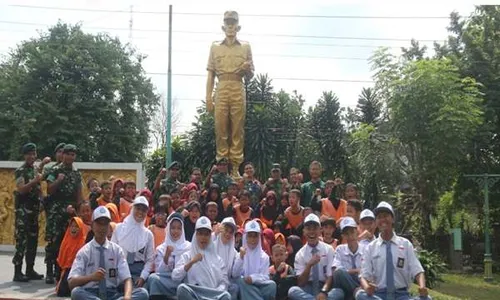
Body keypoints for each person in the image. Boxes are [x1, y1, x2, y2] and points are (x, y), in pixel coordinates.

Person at [206, 9, 254, 178]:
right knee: (220, 128)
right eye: (228, 23)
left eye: (233, 23)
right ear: (223, 26)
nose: (230, 26)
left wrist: (247, 70)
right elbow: (210, 73)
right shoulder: (215, 47)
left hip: (237, 86)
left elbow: (250, 76)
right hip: (221, 86)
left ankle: (235, 168)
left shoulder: (246, 47)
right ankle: (221, 166)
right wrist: (208, 98)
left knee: (237, 129)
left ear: (238, 26)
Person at [69, 206, 149, 300]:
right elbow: (71, 282)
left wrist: (127, 297)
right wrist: (91, 277)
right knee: (76, 293)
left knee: (143, 293)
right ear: (92, 225)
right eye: (99, 224)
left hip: (112, 294)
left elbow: (127, 279)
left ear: (109, 227)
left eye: (105, 224)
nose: (102, 228)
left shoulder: (116, 250)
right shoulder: (84, 252)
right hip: (91, 293)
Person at [356, 202, 431, 300]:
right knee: (360, 295)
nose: (383, 219)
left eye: (386, 216)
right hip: (379, 295)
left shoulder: (405, 244)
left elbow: (417, 270)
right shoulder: (370, 247)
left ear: (393, 219)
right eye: (379, 217)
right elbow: (363, 275)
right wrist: (367, 287)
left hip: (401, 295)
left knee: (427, 298)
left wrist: (422, 287)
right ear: (376, 222)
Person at [45, 144, 83, 284]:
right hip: (56, 211)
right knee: (53, 242)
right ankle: (49, 271)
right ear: (63, 155)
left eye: (73, 155)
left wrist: (79, 211)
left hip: (70, 211)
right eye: (68, 154)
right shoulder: (54, 170)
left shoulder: (76, 174)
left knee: (65, 242)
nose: (70, 157)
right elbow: (49, 190)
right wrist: (58, 180)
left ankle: (59, 271)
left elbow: (79, 195)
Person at [172, 216, 232, 300]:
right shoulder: (187, 256)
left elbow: (224, 282)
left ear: (210, 237)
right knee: (182, 289)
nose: (203, 237)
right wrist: (191, 262)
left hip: (213, 294)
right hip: (195, 292)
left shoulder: (218, 259)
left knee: (226, 296)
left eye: (206, 234)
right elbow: (175, 277)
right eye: (200, 234)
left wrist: (217, 291)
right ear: (195, 235)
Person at [12, 143, 44, 282]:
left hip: (34, 210)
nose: (32, 156)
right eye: (29, 154)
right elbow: (21, 189)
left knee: (33, 240)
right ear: (24, 155)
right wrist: (34, 181)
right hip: (23, 211)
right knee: (22, 241)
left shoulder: (35, 169)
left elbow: (38, 188)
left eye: (33, 153)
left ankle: (29, 270)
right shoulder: (20, 170)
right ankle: (17, 272)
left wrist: (42, 199)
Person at [288, 214, 336, 300]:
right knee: (292, 291)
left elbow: (330, 276)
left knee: (338, 292)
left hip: (324, 286)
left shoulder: (329, 249)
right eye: (308, 229)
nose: (312, 232)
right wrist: (309, 265)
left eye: (315, 229)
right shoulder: (300, 254)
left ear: (320, 230)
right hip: (308, 287)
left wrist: (323, 291)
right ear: (304, 231)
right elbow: (301, 282)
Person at [111, 197, 154, 287]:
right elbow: (112, 253)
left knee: (142, 294)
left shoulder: (148, 234)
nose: (140, 212)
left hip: (138, 272)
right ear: (132, 209)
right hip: (120, 268)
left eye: (143, 210)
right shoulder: (119, 228)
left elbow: (150, 260)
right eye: (138, 208)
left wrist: (143, 277)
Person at [148, 212, 191, 300]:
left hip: (183, 279)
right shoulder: (161, 248)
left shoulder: (189, 247)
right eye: (173, 228)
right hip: (167, 279)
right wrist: (166, 256)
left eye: (179, 228)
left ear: (182, 230)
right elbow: (159, 271)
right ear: (168, 229)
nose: (176, 231)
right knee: (153, 278)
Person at [234, 220, 277, 300]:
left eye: (255, 236)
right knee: (240, 281)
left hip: (258, 286)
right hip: (245, 286)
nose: (253, 239)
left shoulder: (264, 256)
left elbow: (265, 277)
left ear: (259, 237)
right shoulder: (240, 254)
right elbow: (235, 274)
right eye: (250, 236)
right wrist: (241, 258)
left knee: (272, 285)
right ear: (245, 237)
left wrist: (253, 279)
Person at [331, 217, 363, 300]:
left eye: (352, 232)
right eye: (347, 234)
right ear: (343, 236)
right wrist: (356, 270)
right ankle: (356, 292)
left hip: (361, 283)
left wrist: (350, 272)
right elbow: (336, 271)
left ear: (357, 231)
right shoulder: (340, 249)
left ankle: (354, 295)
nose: (350, 236)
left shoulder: (366, 249)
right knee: (339, 272)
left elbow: (368, 272)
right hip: (344, 286)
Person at [56, 217, 88, 297]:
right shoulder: (65, 241)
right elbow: (60, 261)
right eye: (72, 226)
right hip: (67, 269)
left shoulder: (84, 242)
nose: (73, 229)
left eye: (76, 226)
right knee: (61, 292)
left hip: (80, 271)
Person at [215, 217, 240, 300]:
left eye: (231, 232)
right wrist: (214, 233)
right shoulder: (212, 244)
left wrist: (241, 258)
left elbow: (235, 273)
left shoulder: (234, 252)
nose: (228, 234)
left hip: (226, 283)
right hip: (210, 281)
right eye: (226, 230)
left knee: (234, 288)